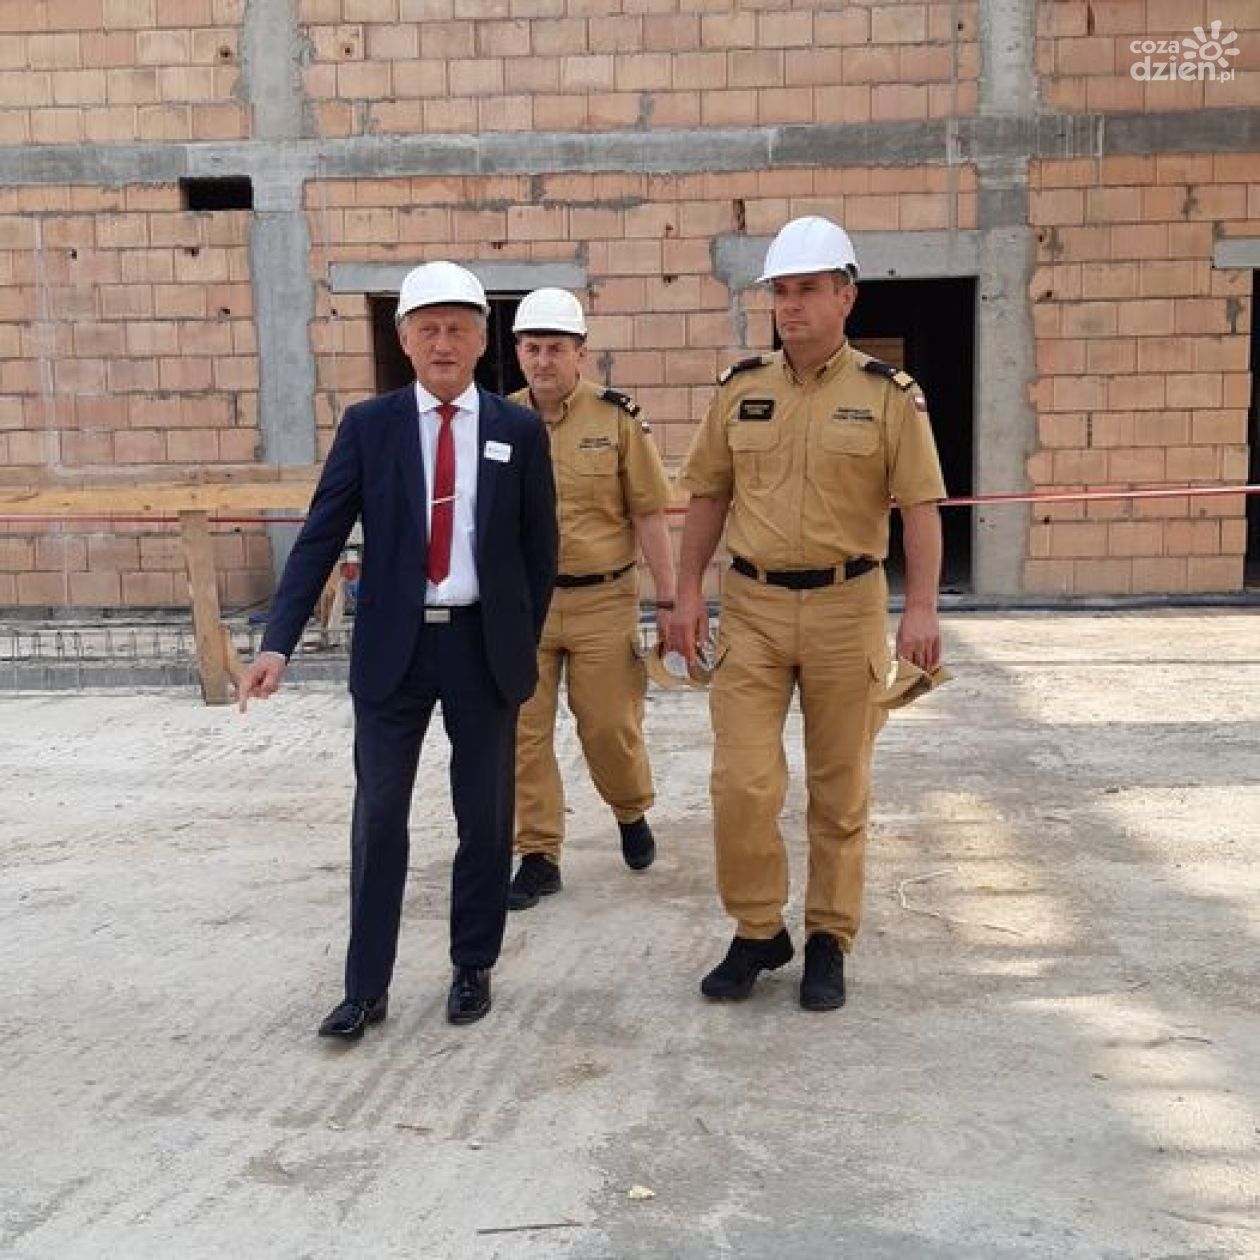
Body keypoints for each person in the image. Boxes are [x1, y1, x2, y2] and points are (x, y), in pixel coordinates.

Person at [237, 261, 558, 1038]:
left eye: (458, 329)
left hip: (483, 650)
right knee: (379, 815)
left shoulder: (517, 430)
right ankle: (365, 988)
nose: (443, 343)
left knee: (484, 818)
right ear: (404, 341)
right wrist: (277, 643)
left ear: (482, 341)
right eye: (428, 330)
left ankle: (472, 965)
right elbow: (319, 537)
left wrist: (517, 639)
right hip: (394, 650)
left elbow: (539, 549)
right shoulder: (369, 427)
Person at [668, 216, 946, 1011]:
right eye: (780, 292)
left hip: (846, 608)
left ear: (845, 296)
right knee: (742, 782)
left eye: (808, 290)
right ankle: (759, 928)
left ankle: (829, 935)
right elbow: (708, 495)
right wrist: (686, 593)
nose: (790, 306)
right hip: (752, 610)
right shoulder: (741, 389)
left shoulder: (888, 396)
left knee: (839, 785)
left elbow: (920, 507)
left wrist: (921, 610)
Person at [506, 288, 677, 910]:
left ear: (581, 353)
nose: (543, 360)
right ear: (518, 353)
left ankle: (630, 811)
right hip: (524, 606)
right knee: (521, 733)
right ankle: (538, 853)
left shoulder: (617, 419)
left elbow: (649, 513)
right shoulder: (498, 422)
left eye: (556, 348)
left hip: (604, 601)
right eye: (532, 348)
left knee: (608, 726)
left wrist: (669, 603)